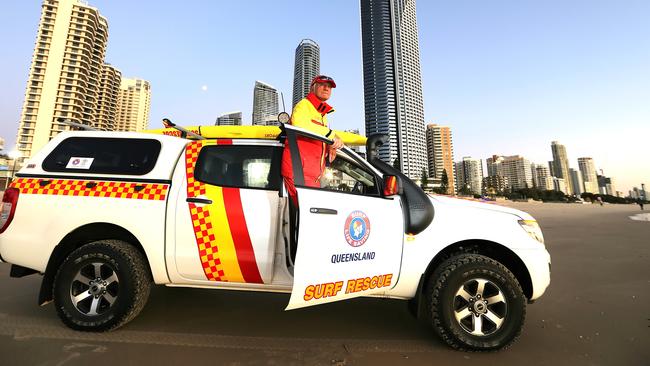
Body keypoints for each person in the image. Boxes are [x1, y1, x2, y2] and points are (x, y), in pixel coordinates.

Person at [281, 75, 344, 201]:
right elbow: (300, 125)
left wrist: (329, 146)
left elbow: (316, 137)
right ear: (312, 87)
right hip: (299, 172)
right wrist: (331, 136)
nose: (327, 88)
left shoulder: (322, 114)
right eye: (322, 85)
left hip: (312, 177)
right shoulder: (304, 105)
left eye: (330, 87)